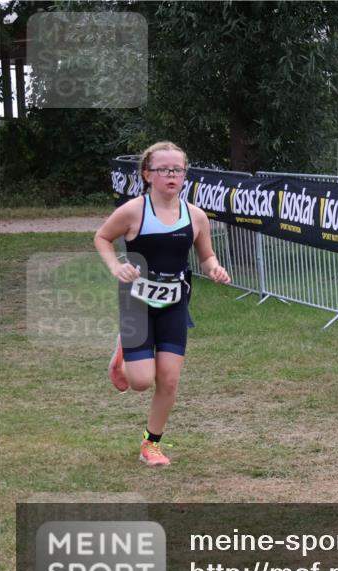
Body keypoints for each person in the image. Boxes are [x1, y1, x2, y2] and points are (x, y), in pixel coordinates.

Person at [94, 141, 231, 466]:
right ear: (147, 174)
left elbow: (206, 255)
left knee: (168, 379)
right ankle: (123, 354)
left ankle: (150, 445)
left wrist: (214, 268)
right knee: (141, 382)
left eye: (178, 170)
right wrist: (116, 266)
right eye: (163, 169)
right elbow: (101, 237)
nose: (171, 175)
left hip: (174, 301)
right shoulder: (132, 211)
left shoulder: (195, 216)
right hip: (136, 302)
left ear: (185, 175)